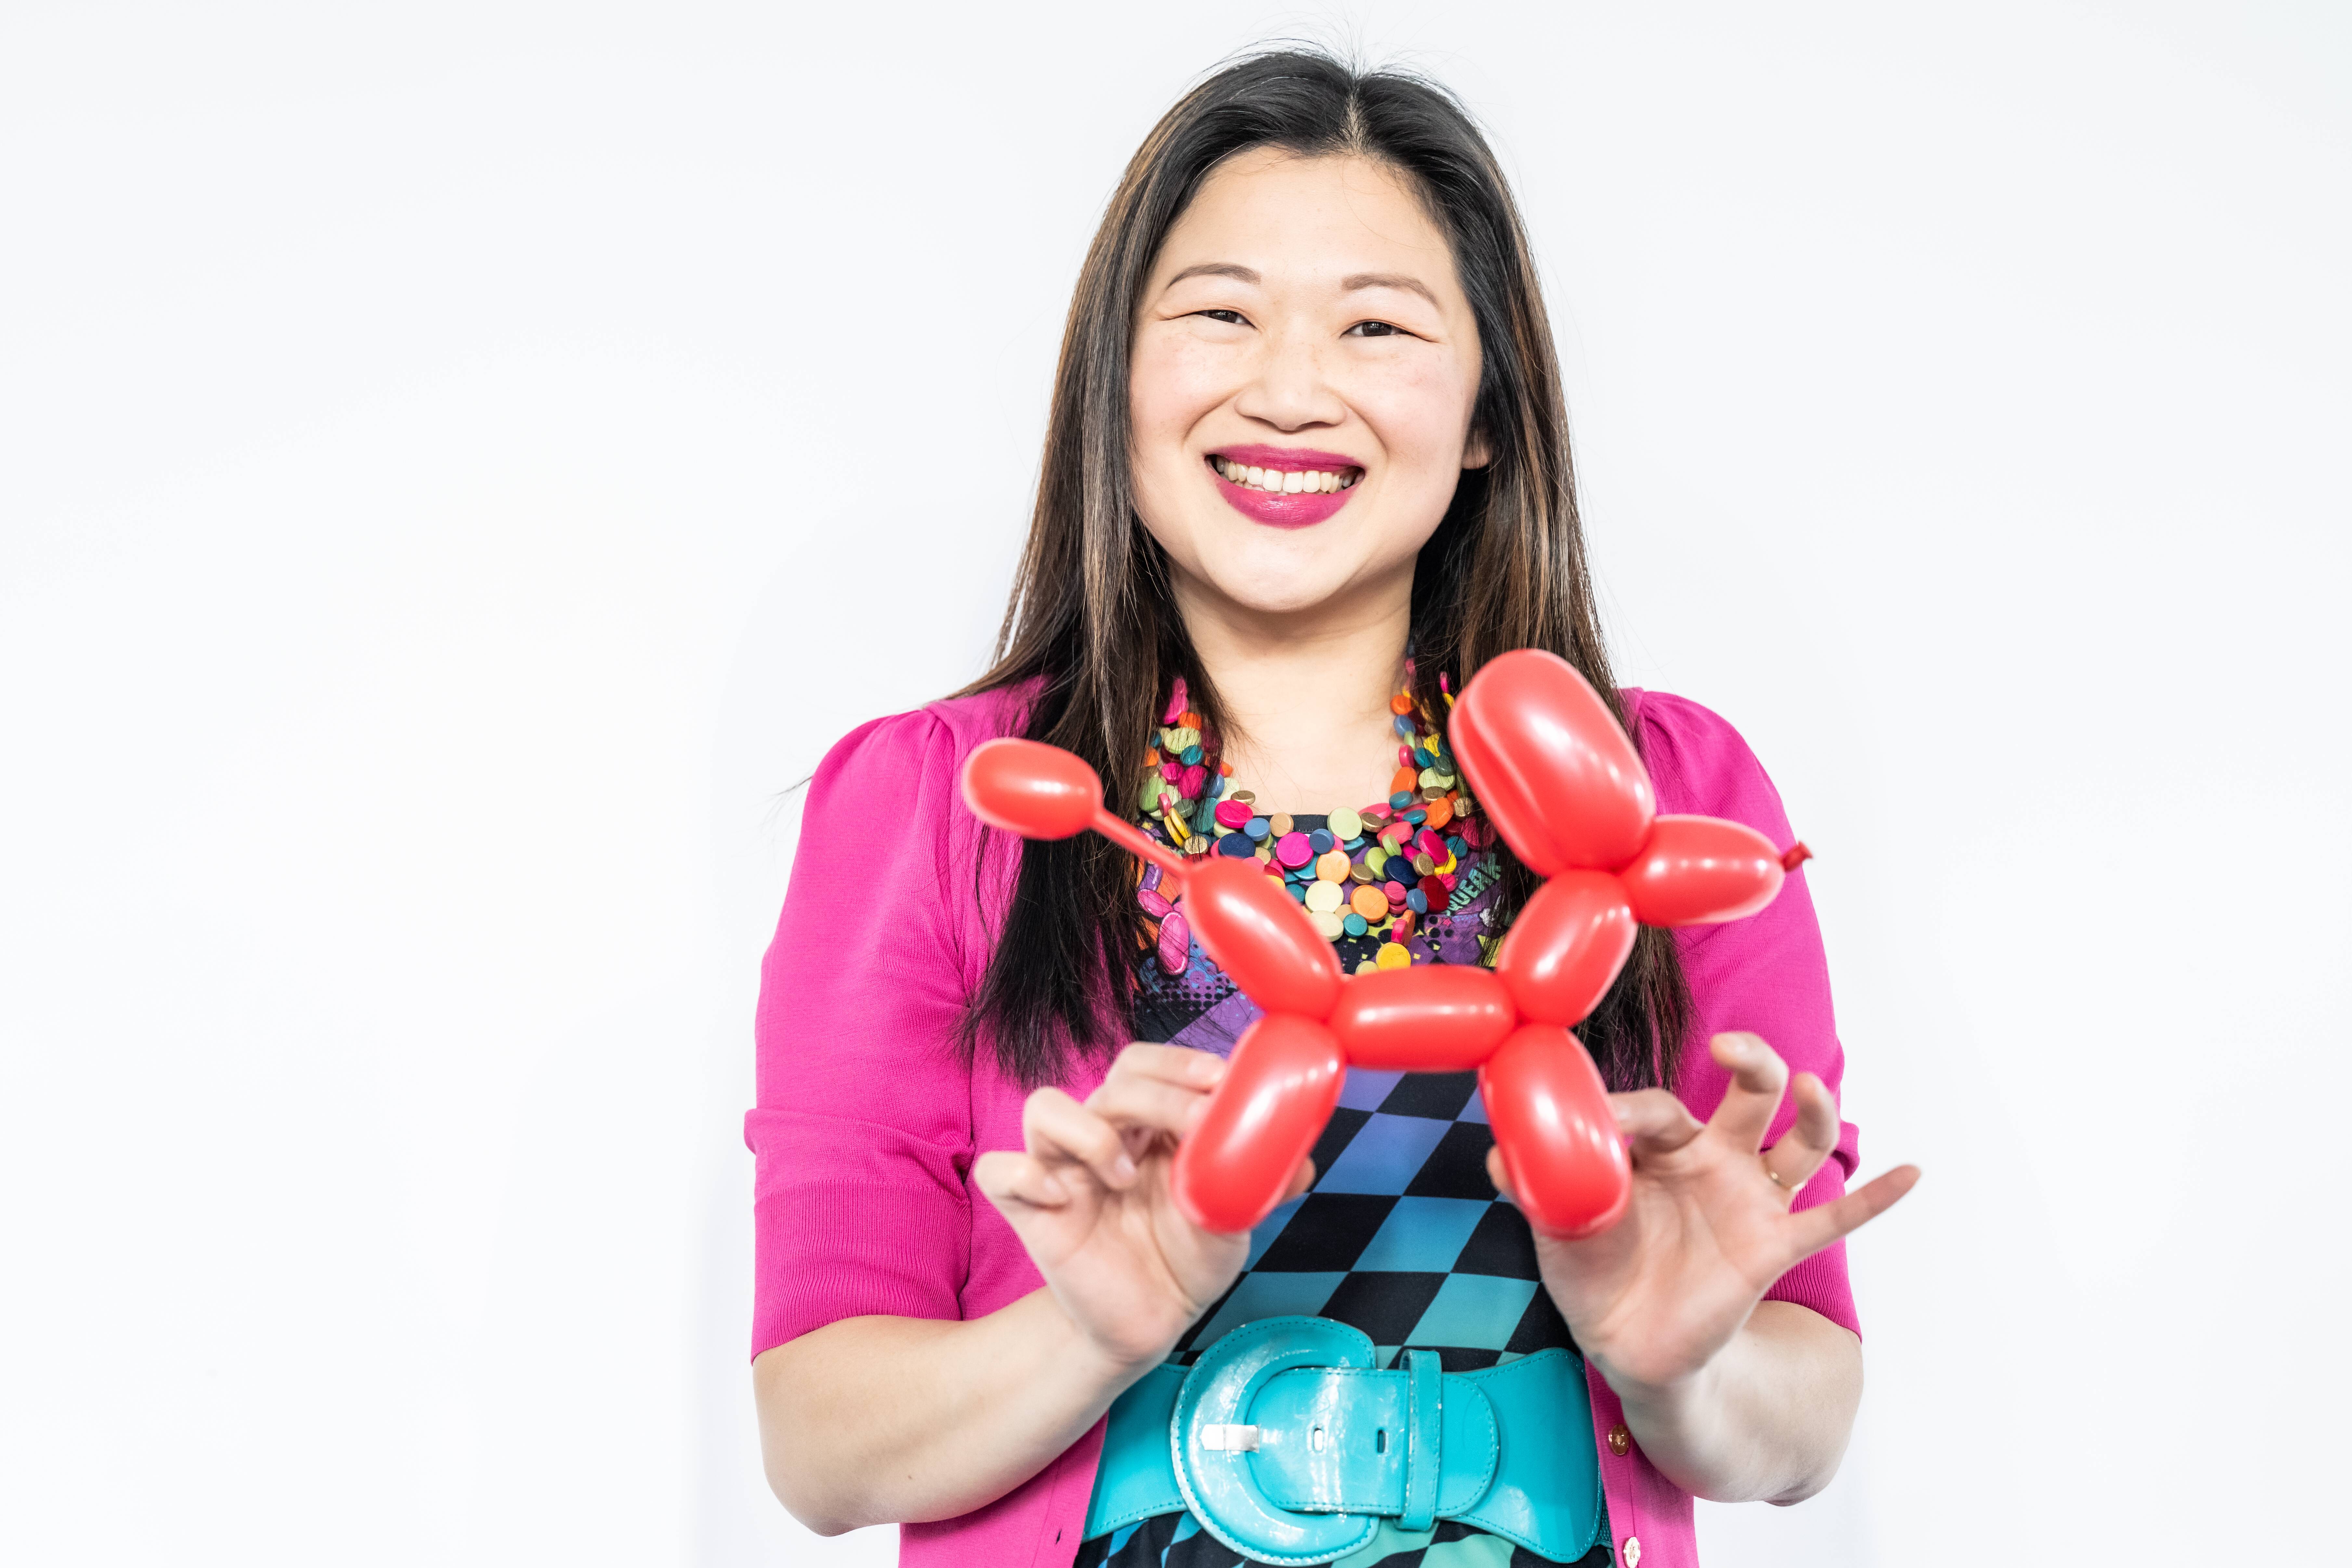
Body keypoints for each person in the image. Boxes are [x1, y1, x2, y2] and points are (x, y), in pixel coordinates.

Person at [746, 49, 1917, 1568]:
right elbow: (821, 1443)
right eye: (1221, 314)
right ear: (1116, 383)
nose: (1290, 391)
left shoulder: (1668, 809)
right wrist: (1094, 1329)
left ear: (1488, 412)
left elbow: (1807, 1414)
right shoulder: (934, 807)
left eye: (1377, 326)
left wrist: (1675, 1359)